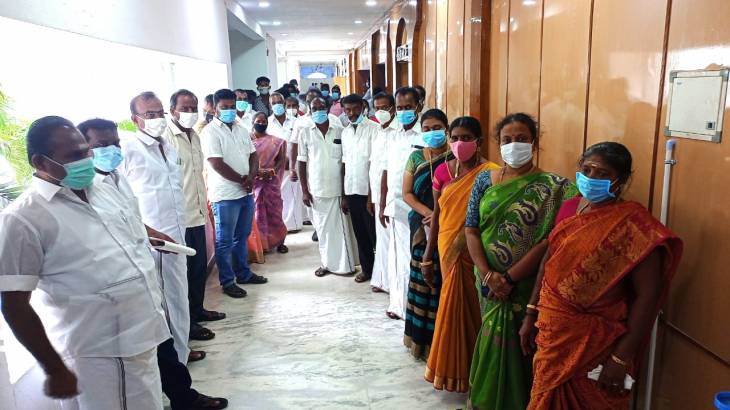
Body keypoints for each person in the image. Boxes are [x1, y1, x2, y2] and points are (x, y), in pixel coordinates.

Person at [0, 116, 170, 409]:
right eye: (74, 155)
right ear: (40, 161)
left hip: (142, 335)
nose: (87, 160)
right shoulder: (23, 219)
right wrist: (54, 368)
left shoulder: (103, 190)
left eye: (86, 151)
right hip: (97, 352)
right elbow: (14, 303)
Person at [77, 118, 228, 409]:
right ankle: (181, 396)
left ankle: (183, 396)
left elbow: (130, 217)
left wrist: (152, 234)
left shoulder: (115, 179)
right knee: (147, 358)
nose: (112, 150)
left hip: (140, 276)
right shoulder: (84, 190)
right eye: (102, 145)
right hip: (113, 293)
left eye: (115, 143)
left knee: (162, 340)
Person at [523, 142, 682, 410]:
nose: (591, 178)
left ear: (622, 180)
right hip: (553, 334)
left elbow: (648, 296)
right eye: (587, 170)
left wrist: (620, 358)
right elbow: (547, 263)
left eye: (603, 173)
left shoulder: (634, 227)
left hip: (596, 344)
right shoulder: (570, 208)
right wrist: (530, 313)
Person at [465, 113, 578, 410]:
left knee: (523, 346)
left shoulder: (556, 187)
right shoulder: (484, 180)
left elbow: (549, 241)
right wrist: (489, 275)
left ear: (534, 142)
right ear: (498, 144)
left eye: (522, 139)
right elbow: (471, 229)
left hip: (526, 285)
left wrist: (509, 278)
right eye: (507, 140)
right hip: (487, 282)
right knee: (490, 339)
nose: (514, 145)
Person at [421, 117, 499, 391]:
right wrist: (427, 256)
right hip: (447, 247)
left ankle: (477, 372)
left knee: (476, 308)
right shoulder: (443, 171)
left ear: (479, 141)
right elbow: (437, 215)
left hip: (477, 252)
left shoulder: (492, 173)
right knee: (451, 305)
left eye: (466, 138)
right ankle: (454, 371)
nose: (459, 143)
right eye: (454, 138)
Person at [120, 91, 190, 365]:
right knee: (166, 301)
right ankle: (175, 363)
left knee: (178, 297)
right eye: (150, 114)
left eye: (160, 113)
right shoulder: (129, 149)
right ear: (135, 119)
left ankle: (181, 353)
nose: (157, 119)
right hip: (154, 239)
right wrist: (146, 231)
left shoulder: (167, 146)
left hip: (177, 233)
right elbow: (121, 198)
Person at [163, 90, 227, 341]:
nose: (190, 113)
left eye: (193, 108)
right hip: (178, 219)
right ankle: (186, 324)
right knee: (183, 274)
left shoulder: (194, 136)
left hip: (198, 212)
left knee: (198, 269)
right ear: (173, 111)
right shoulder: (166, 138)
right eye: (185, 108)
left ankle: (198, 310)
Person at [201, 88, 268, 299]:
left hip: (245, 192)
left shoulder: (241, 129)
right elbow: (216, 163)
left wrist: (251, 177)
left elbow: (253, 155)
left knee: (243, 235)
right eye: (225, 107)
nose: (230, 110)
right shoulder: (210, 132)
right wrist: (242, 180)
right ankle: (228, 281)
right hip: (225, 195)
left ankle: (243, 274)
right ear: (215, 108)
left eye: (232, 107)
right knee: (225, 240)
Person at [401, 109, 453, 359]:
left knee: (445, 281)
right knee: (423, 278)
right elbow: (407, 193)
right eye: (427, 129)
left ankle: (443, 343)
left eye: (437, 128)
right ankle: (420, 342)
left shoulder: (457, 156)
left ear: (446, 129)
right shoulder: (415, 157)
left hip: (450, 225)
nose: (432, 133)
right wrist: (429, 213)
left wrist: (442, 216)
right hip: (422, 225)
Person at [297, 96, 359, 277]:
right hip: (316, 190)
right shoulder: (305, 132)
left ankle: (346, 266)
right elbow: (301, 162)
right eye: (314, 109)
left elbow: (346, 162)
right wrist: (304, 191)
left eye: (321, 107)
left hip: (338, 189)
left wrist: (345, 194)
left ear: (328, 108)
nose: (318, 111)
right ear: (310, 111)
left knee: (341, 231)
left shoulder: (339, 130)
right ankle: (326, 264)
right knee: (323, 231)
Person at [379, 86, 422, 320]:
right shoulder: (392, 134)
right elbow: (386, 171)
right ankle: (398, 304)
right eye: (400, 107)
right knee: (397, 258)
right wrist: (381, 204)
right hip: (395, 206)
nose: (404, 111)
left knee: (413, 258)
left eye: (408, 107)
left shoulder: (424, 134)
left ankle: (412, 307)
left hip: (417, 209)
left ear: (418, 106)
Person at [340, 93, 379, 283]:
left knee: (375, 235)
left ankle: (381, 273)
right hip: (352, 190)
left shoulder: (374, 129)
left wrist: (371, 196)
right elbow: (344, 164)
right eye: (348, 110)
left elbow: (375, 164)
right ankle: (367, 270)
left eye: (355, 109)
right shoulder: (345, 132)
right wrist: (344, 196)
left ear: (363, 107)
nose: (352, 113)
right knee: (360, 234)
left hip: (369, 192)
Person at [369, 92, 398, 293]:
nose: (380, 112)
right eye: (377, 108)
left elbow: (389, 169)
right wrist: (371, 197)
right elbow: (374, 165)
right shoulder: (378, 130)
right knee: (382, 239)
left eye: (385, 108)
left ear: (393, 108)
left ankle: (391, 283)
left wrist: (383, 198)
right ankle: (382, 280)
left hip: (391, 194)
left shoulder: (398, 131)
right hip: (377, 192)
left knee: (391, 239)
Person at [250, 111, 289, 253]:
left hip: (271, 182)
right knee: (257, 214)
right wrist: (257, 172)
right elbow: (243, 160)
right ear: (252, 122)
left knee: (275, 213)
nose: (261, 124)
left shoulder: (275, 141)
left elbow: (281, 159)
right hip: (255, 182)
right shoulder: (246, 141)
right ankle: (262, 244)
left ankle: (279, 242)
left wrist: (272, 171)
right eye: (258, 121)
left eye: (264, 121)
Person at [269, 94, 304, 232]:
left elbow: (300, 142)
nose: (277, 105)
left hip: (293, 164)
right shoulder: (268, 123)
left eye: (279, 102)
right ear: (270, 105)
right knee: (280, 196)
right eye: (274, 103)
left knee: (293, 195)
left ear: (284, 104)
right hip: (276, 165)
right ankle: (281, 225)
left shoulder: (295, 122)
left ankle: (293, 226)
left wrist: (292, 162)